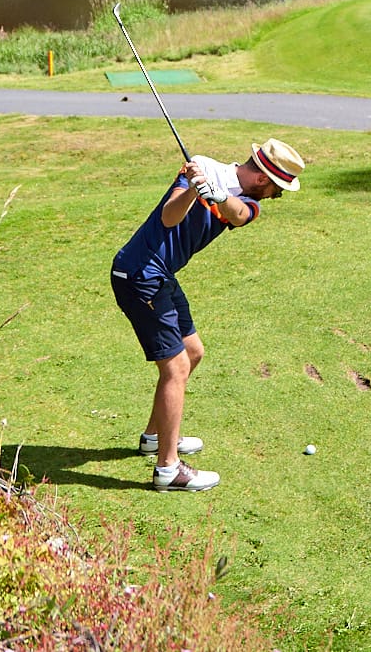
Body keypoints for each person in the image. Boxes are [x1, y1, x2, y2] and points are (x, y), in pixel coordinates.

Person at [111, 138, 307, 492]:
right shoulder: (201, 165)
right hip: (140, 275)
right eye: (278, 188)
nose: (277, 196)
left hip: (162, 275)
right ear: (265, 179)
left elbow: (240, 214)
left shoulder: (246, 201)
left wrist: (215, 194)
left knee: (193, 352)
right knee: (177, 367)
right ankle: (168, 469)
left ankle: (155, 437)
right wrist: (193, 191)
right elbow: (169, 217)